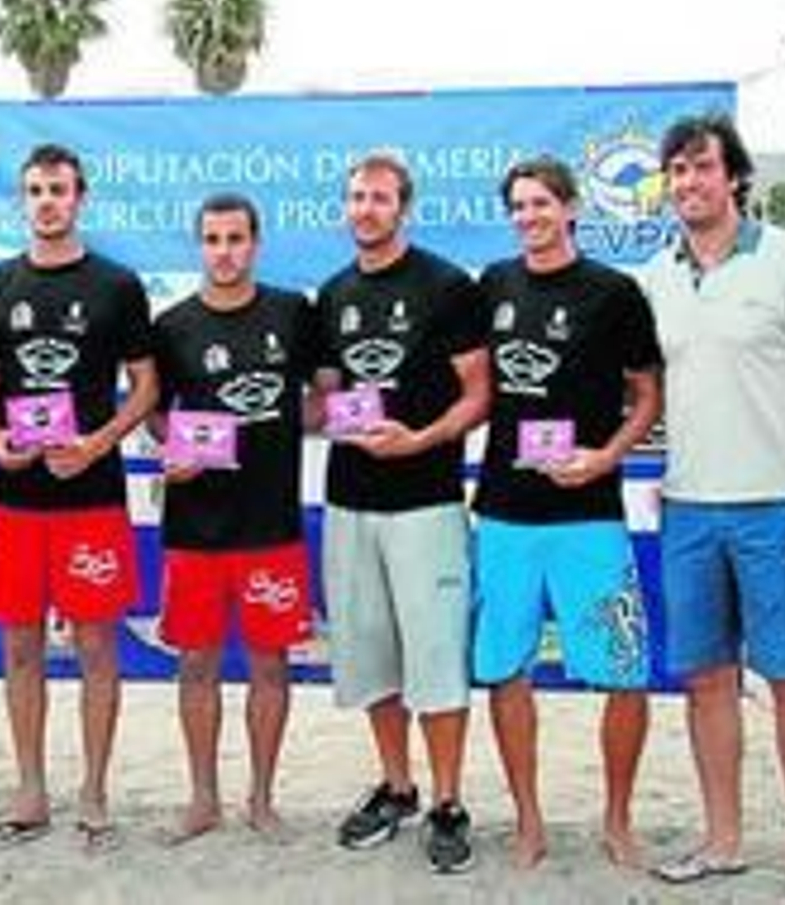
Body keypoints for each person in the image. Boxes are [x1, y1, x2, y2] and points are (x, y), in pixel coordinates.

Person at [642, 115, 785, 905]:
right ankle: (723, 841)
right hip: (690, 510)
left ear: (733, 176)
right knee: (706, 682)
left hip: (779, 509)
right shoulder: (655, 274)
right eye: (678, 171)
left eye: (702, 168)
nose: (689, 182)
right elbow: (640, 389)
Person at [470, 156, 663, 868]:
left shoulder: (615, 293)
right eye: (518, 207)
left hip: (589, 513)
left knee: (623, 671)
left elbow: (647, 396)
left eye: (541, 204)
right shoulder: (493, 285)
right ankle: (528, 819)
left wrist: (604, 457)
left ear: (572, 208)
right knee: (505, 671)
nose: (529, 217)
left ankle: (617, 818)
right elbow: (471, 387)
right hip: (504, 514)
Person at [0, 143, 158, 851]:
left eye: (58, 189)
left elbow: (145, 386)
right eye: (35, 190)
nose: (47, 200)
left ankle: (93, 790)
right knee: (19, 647)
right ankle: (30, 787)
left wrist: (98, 442)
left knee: (96, 647)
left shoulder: (116, 285)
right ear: (22, 201)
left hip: (92, 498)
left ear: (81, 197)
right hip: (14, 497)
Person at [314, 152, 491, 871]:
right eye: (356, 197)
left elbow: (479, 393)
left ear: (404, 207)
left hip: (427, 503)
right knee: (370, 657)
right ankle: (397, 786)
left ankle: (449, 802)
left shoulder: (447, 286)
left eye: (380, 198)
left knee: (437, 660)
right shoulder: (331, 295)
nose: (366, 209)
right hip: (351, 502)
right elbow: (326, 396)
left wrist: (418, 439)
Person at [150, 194, 316, 843]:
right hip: (197, 528)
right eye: (213, 239)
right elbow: (156, 411)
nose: (225, 251)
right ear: (199, 245)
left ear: (257, 243)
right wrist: (174, 449)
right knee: (197, 665)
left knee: (271, 666)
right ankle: (202, 798)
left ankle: (262, 798)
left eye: (236, 238)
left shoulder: (291, 314)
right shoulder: (172, 327)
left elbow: (322, 395)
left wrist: (326, 419)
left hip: (270, 523)